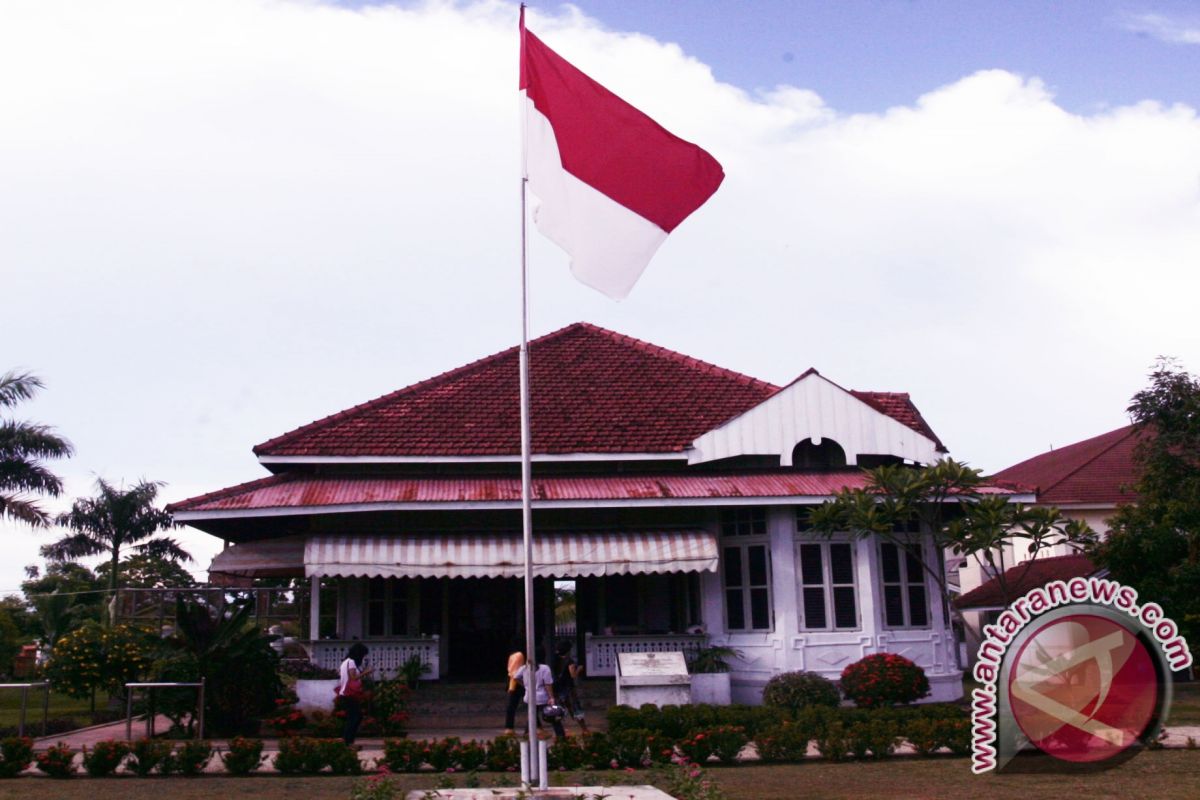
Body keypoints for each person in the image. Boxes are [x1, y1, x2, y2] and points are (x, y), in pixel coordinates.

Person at [516, 656, 565, 740]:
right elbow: (548, 684)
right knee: (553, 716)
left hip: (530, 697)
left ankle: (526, 736)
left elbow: (516, 677)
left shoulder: (524, 668)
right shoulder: (544, 668)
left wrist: (525, 685)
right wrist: (551, 697)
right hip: (542, 697)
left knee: (532, 717)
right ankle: (560, 736)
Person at [337, 642, 372, 744]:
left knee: (354, 717)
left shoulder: (345, 662)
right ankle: (348, 740)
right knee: (355, 717)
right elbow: (353, 678)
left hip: (346, 693)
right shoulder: (351, 662)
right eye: (363, 655)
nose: (364, 657)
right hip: (349, 694)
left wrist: (362, 672)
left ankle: (348, 739)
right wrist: (367, 672)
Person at [553, 639, 588, 733]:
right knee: (575, 708)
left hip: (558, 688)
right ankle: (584, 729)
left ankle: (560, 730)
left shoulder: (555, 659)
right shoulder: (569, 661)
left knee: (560, 708)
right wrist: (579, 669)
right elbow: (573, 675)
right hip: (569, 687)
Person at [503, 637, 526, 734]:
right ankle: (509, 727)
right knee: (530, 704)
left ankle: (509, 727)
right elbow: (516, 672)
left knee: (511, 706)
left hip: (512, 680)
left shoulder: (512, 655)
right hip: (517, 681)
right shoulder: (519, 655)